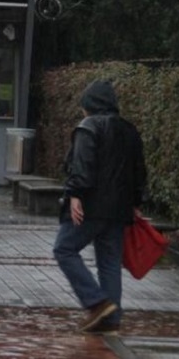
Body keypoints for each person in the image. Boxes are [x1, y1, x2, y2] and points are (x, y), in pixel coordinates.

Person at [53, 80, 147, 335]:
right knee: (109, 263)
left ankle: (96, 302)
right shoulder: (129, 130)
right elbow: (139, 171)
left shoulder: (89, 127)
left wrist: (74, 195)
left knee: (64, 249)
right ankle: (111, 320)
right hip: (120, 211)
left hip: (90, 206)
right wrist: (136, 203)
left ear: (90, 105)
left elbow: (81, 166)